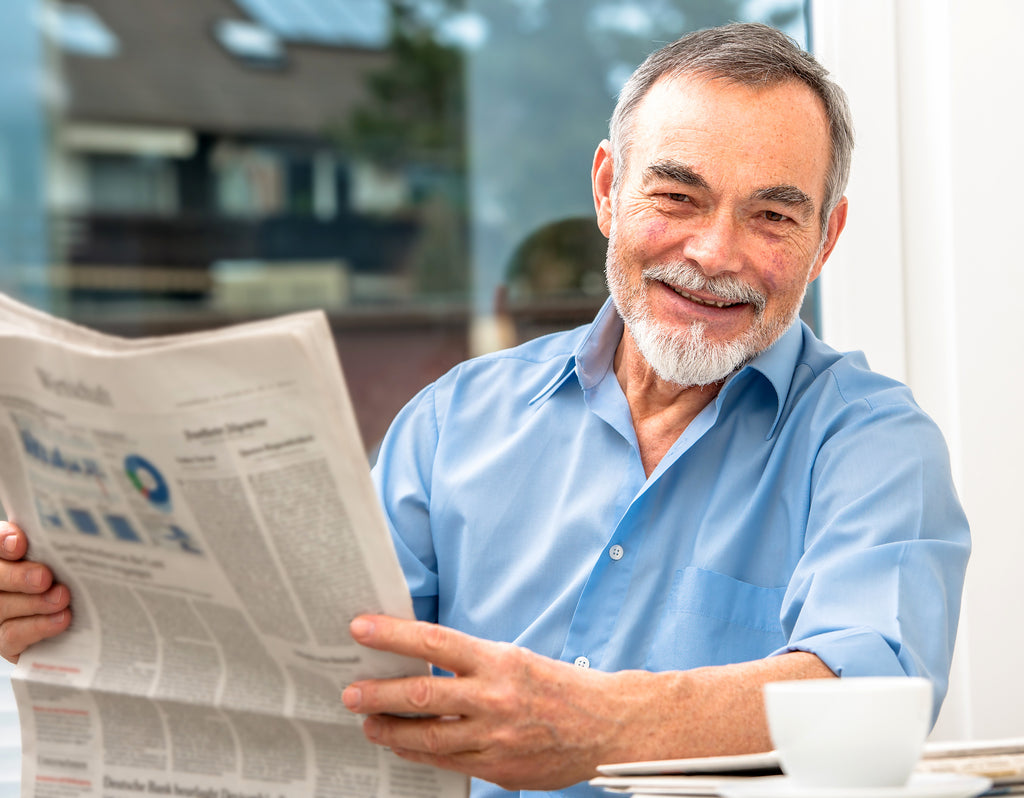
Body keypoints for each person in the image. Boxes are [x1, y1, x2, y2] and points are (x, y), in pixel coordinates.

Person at [0, 22, 969, 798]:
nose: (714, 253)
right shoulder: (451, 421)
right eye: (676, 196)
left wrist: (599, 728)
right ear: (605, 189)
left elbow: (872, 688)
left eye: (771, 214)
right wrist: (78, 604)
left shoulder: (872, 442)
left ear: (825, 237)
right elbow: (321, 667)